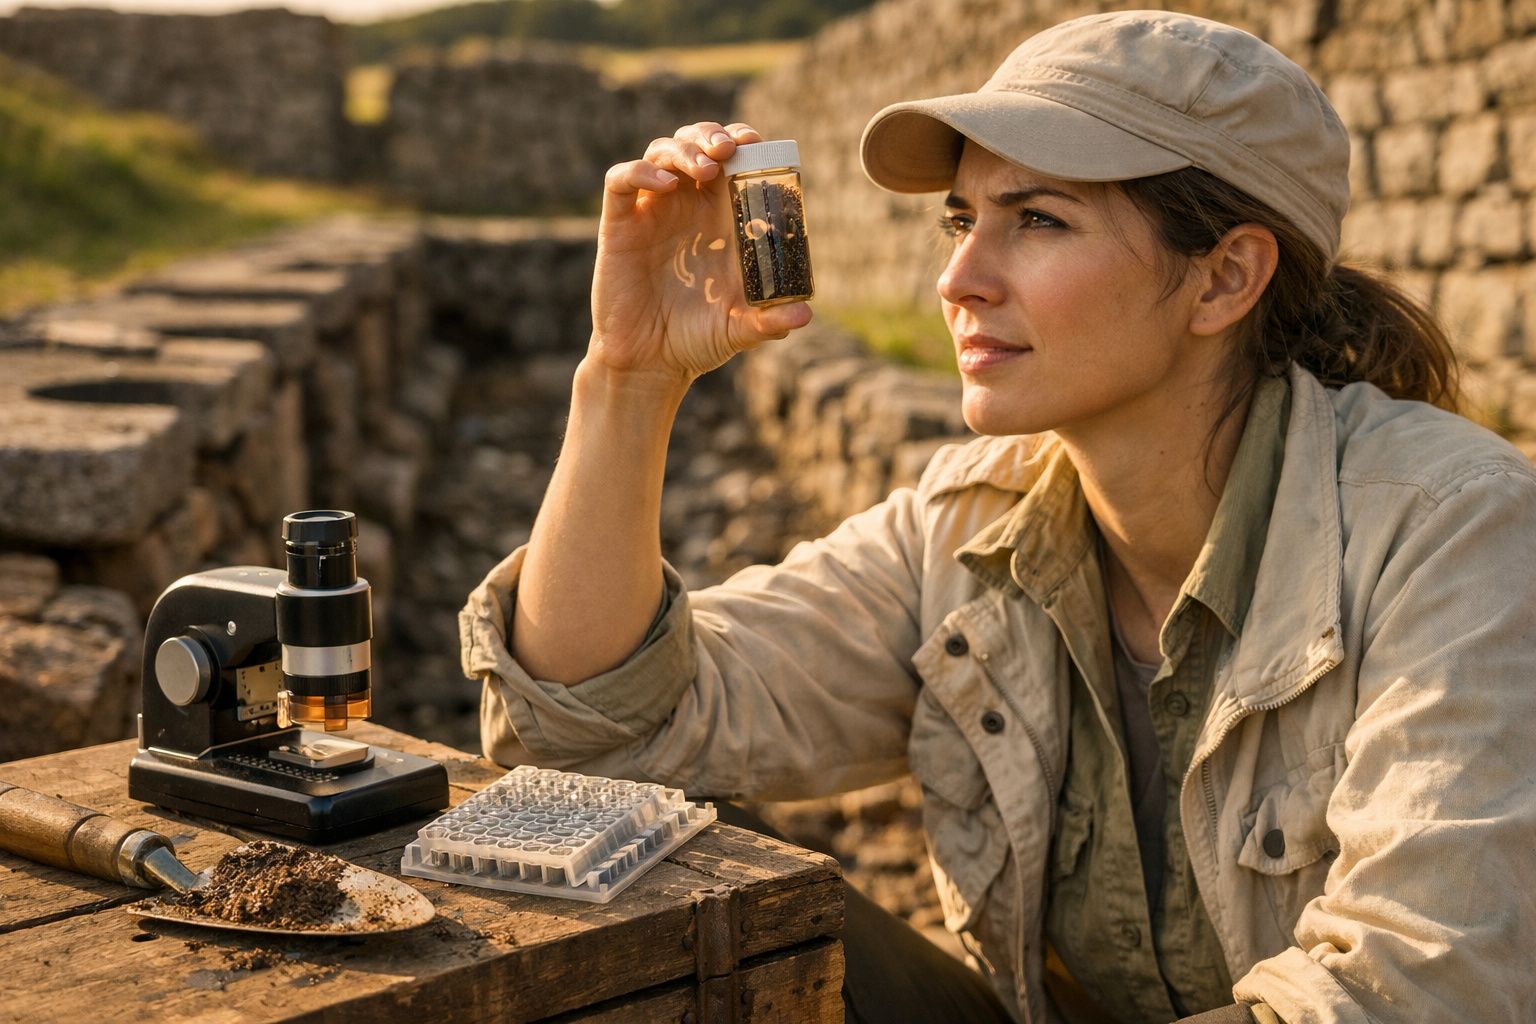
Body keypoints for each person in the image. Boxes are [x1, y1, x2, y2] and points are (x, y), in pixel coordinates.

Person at [459, 10, 1536, 1024]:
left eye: (1037, 220)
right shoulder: (968, 523)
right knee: (627, 855)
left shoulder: (1457, 537)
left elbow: (1417, 990)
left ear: (1225, 279)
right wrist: (627, 377)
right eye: (965, 219)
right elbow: (592, 728)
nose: (958, 278)